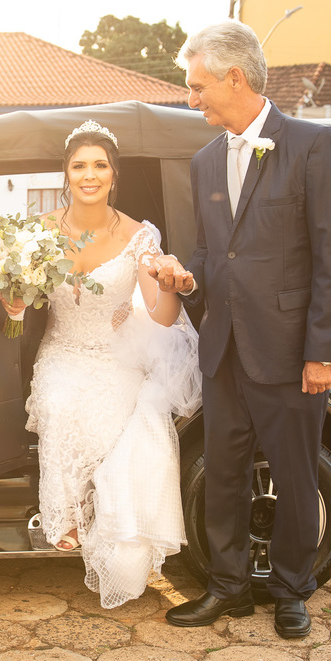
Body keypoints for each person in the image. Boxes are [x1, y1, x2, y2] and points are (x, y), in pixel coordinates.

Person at [153, 21, 331, 638]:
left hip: (294, 353)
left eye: (197, 86)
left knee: (295, 474)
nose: (191, 99)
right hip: (225, 352)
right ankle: (229, 587)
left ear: (233, 78)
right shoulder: (205, 161)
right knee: (224, 471)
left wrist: (324, 351)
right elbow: (218, 257)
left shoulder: (314, 146)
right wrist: (190, 283)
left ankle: (294, 590)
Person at [24, 121, 201, 609]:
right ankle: (68, 519)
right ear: (65, 172)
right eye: (79, 165)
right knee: (59, 403)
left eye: (99, 165)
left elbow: (163, 317)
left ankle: (107, 524)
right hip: (62, 348)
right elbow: (17, 296)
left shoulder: (140, 236)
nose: (89, 174)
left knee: (116, 419)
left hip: (117, 354)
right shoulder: (38, 231)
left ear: (113, 175)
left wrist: (169, 284)